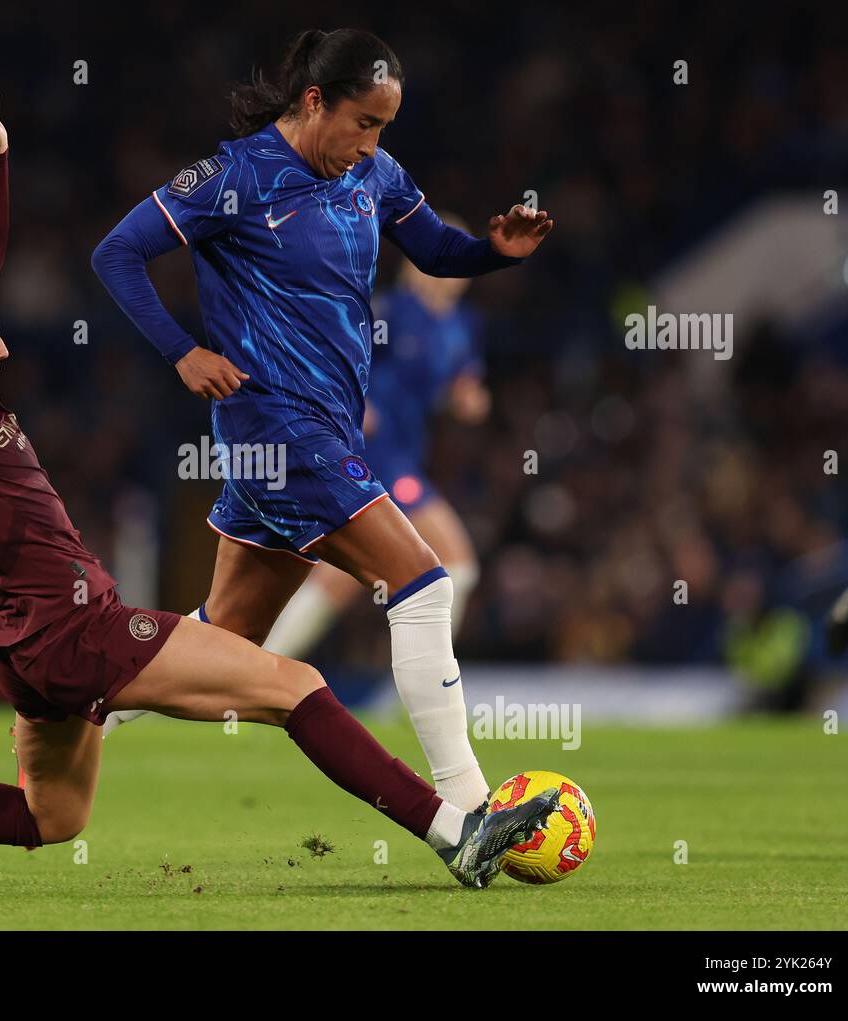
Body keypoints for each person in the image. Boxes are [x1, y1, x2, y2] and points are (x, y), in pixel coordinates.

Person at [0, 81, 558, 893]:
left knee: (50, 816)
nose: (1, 351)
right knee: (296, 686)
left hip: (26, 647)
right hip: (78, 629)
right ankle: (456, 831)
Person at [92, 29, 552, 812]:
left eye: (384, 126)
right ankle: (470, 805)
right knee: (424, 579)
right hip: (276, 428)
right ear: (314, 101)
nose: (372, 142)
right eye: (363, 122)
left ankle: (86, 696)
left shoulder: (373, 173)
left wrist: (493, 253)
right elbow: (116, 253)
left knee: (227, 637)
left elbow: (435, 250)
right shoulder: (234, 176)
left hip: (324, 431)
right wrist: (181, 351)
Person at [264, 217, 489, 660]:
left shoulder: (463, 325)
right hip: (375, 456)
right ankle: (434, 679)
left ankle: (253, 672)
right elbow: (334, 354)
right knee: (456, 561)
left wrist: (471, 400)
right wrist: (352, 403)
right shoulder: (391, 311)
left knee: (340, 579)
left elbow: (465, 386)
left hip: (406, 453)